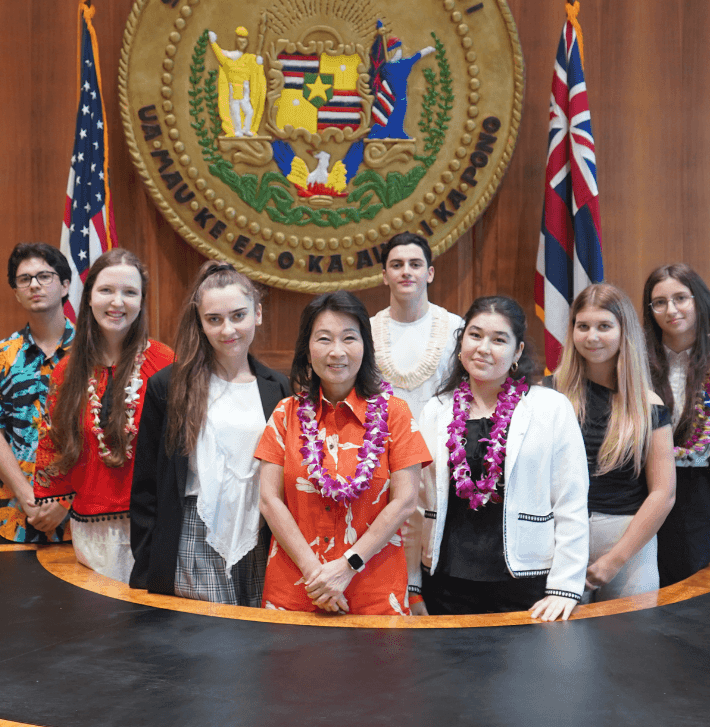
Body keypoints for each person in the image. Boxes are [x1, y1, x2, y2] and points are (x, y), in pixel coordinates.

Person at [411, 296, 589, 620]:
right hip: (446, 581)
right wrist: (412, 585)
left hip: (525, 582)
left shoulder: (550, 408)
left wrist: (565, 586)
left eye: (499, 339)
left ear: (517, 352)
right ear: (461, 341)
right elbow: (417, 504)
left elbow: (571, 501)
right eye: (475, 335)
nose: (483, 347)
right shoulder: (435, 410)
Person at [254, 291, 431, 615]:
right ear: (307, 350)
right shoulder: (285, 414)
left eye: (349, 338)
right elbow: (269, 499)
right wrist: (317, 574)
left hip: (375, 592)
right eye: (323, 339)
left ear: (365, 346)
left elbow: (405, 501)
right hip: (296, 590)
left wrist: (346, 567)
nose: (337, 351)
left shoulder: (396, 414)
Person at [129, 261, 291, 605]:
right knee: (211, 645)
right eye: (214, 319)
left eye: (238, 315)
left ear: (257, 314)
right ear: (200, 323)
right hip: (194, 531)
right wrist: (147, 561)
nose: (227, 329)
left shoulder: (277, 388)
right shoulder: (169, 386)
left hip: (261, 530)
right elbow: (145, 484)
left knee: (260, 643)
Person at [34, 249, 174, 581]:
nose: (117, 302)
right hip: (91, 530)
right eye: (106, 290)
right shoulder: (67, 371)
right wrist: (53, 499)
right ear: (89, 298)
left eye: (130, 292)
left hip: (152, 524)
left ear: (141, 301)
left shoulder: (165, 363)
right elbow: (55, 443)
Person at [552, 283, 675, 603]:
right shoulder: (550, 397)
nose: (592, 336)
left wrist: (614, 560)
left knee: (631, 648)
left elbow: (664, 493)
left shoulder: (648, 405)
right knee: (563, 649)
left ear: (624, 332)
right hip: (560, 540)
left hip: (627, 543)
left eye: (604, 326)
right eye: (583, 326)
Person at [643, 263, 710, 586]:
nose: (670, 309)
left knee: (684, 597)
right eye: (659, 302)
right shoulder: (635, 371)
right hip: (636, 496)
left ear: (699, 302)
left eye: (680, 298)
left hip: (693, 503)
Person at [0, 243, 74, 545]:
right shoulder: (1, 356)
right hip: (19, 515)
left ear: (65, 285)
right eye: (24, 279)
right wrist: (27, 495)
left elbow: (105, 434)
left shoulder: (93, 352)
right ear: (17, 292)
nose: (34, 284)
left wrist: (65, 501)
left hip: (83, 518)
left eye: (44, 276)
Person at [369, 232, 464, 419]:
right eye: (397, 265)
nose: (406, 271)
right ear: (385, 276)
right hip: (384, 442)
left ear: (430, 274)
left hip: (441, 442)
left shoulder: (456, 327)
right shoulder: (367, 330)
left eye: (415, 264)